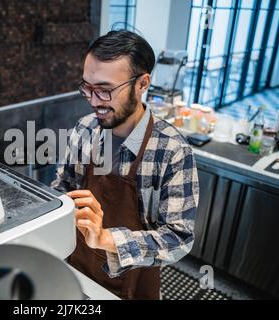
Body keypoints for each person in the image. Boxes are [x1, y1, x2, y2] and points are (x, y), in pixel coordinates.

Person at [51, 30, 199, 300]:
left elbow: (178, 238)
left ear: (142, 84)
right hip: (78, 269)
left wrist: (106, 238)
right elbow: (62, 187)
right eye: (87, 88)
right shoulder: (85, 129)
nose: (94, 102)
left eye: (105, 91)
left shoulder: (172, 151)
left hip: (134, 283)